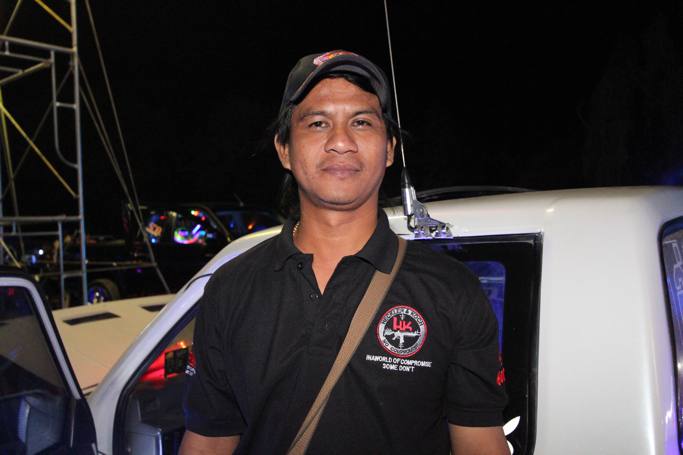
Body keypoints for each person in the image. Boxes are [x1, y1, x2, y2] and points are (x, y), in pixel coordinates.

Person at [179, 50, 509, 455]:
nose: (340, 142)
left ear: (389, 149)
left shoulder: (453, 290)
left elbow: (480, 444)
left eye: (362, 122)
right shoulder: (231, 288)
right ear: (284, 149)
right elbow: (209, 441)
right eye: (318, 123)